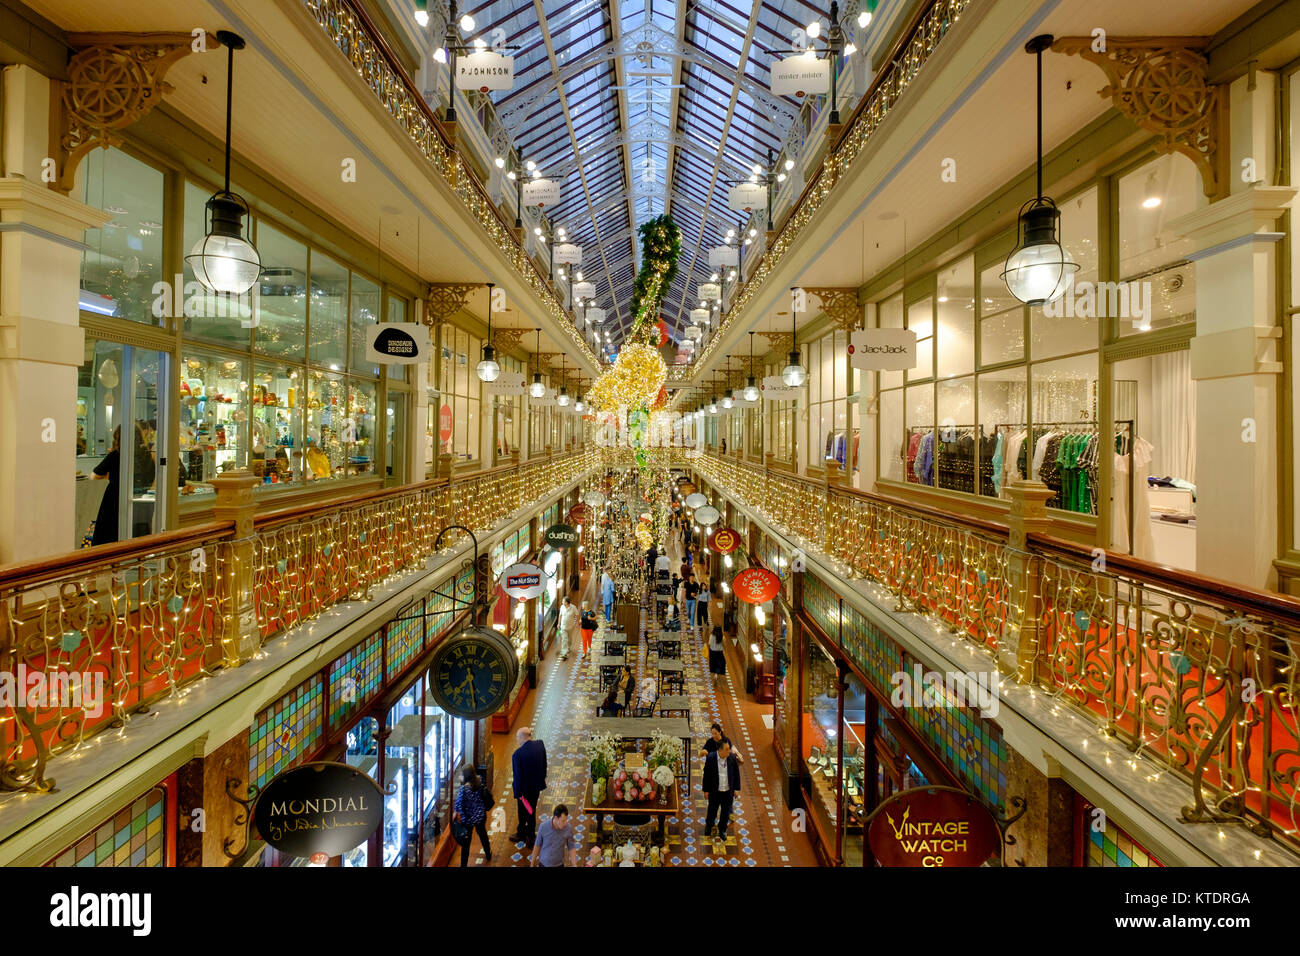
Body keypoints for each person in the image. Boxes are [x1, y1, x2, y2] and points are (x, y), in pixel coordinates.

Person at [509, 727, 547, 848]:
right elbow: (544, 763)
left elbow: (518, 777)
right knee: (531, 810)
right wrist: (542, 778)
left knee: (525, 812)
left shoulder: (517, 755)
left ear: (522, 737)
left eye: (517, 737)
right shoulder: (540, 745)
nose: (517, 740)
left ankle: (529, 837)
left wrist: (518, 793)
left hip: (524, 792)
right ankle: (524, 832)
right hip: (536, 787)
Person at [452, 766, 492, 867]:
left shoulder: (464, 789)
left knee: (466, 844)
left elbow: (458, 804)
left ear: (465, 776)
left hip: (468, 819)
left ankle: (463, 864)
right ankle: (488, 854)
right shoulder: (479, 781)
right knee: (483, 835)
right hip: (480, 816)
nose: (460, 776)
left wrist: (455, 813)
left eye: (461, 774)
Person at [702, 739, 741, 842]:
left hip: (728, 791)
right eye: (727, 749)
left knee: (725, 812)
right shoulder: (711, 758)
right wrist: (706, 790)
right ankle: (709, 825)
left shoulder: (732, 758)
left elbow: (736, 774)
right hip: (715, 791)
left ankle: (722, 829)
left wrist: (736, 789)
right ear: (720, 750)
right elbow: (706, 775)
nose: (729, 751)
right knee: (712, 810)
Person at [90, 426, 122, 546]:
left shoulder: (115, 455)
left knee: (108, 532)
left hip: (113, 498)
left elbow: (94, 475)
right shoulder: (144, 456)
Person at [558, 595, 578, 661]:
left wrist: (577, 623)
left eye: (563, 601)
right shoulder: (562, 607)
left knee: (569, 639)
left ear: (567, 602)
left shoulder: (573, 607)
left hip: (570, 626)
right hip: (563, 626)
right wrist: (558, 624)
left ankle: (568, 648)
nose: (562, 602)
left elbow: (577, 615)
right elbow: (560, 615)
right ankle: (564, 653)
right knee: (564, 639)